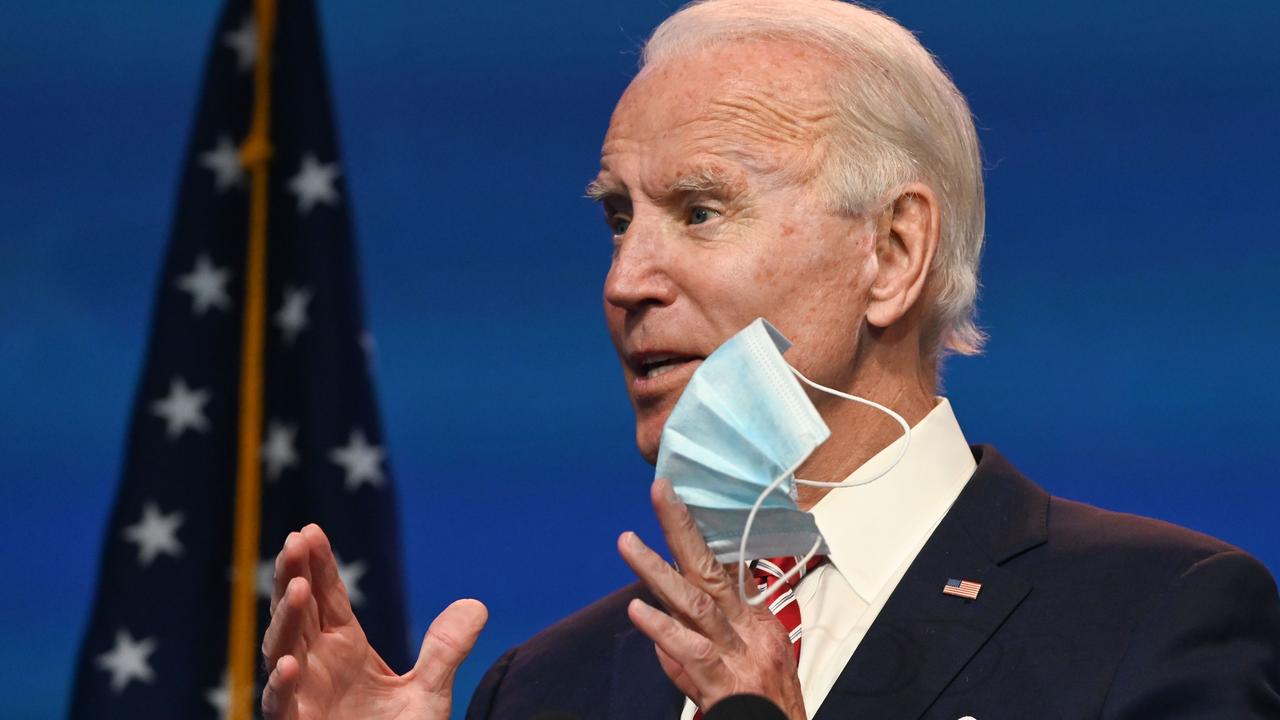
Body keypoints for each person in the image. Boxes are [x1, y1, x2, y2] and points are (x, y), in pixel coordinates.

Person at [260, 1, 1280, 718]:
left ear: (890, 255)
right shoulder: (544, 688)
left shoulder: (1153, 615)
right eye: (618, 220)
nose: (625, 281)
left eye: (700, 212)